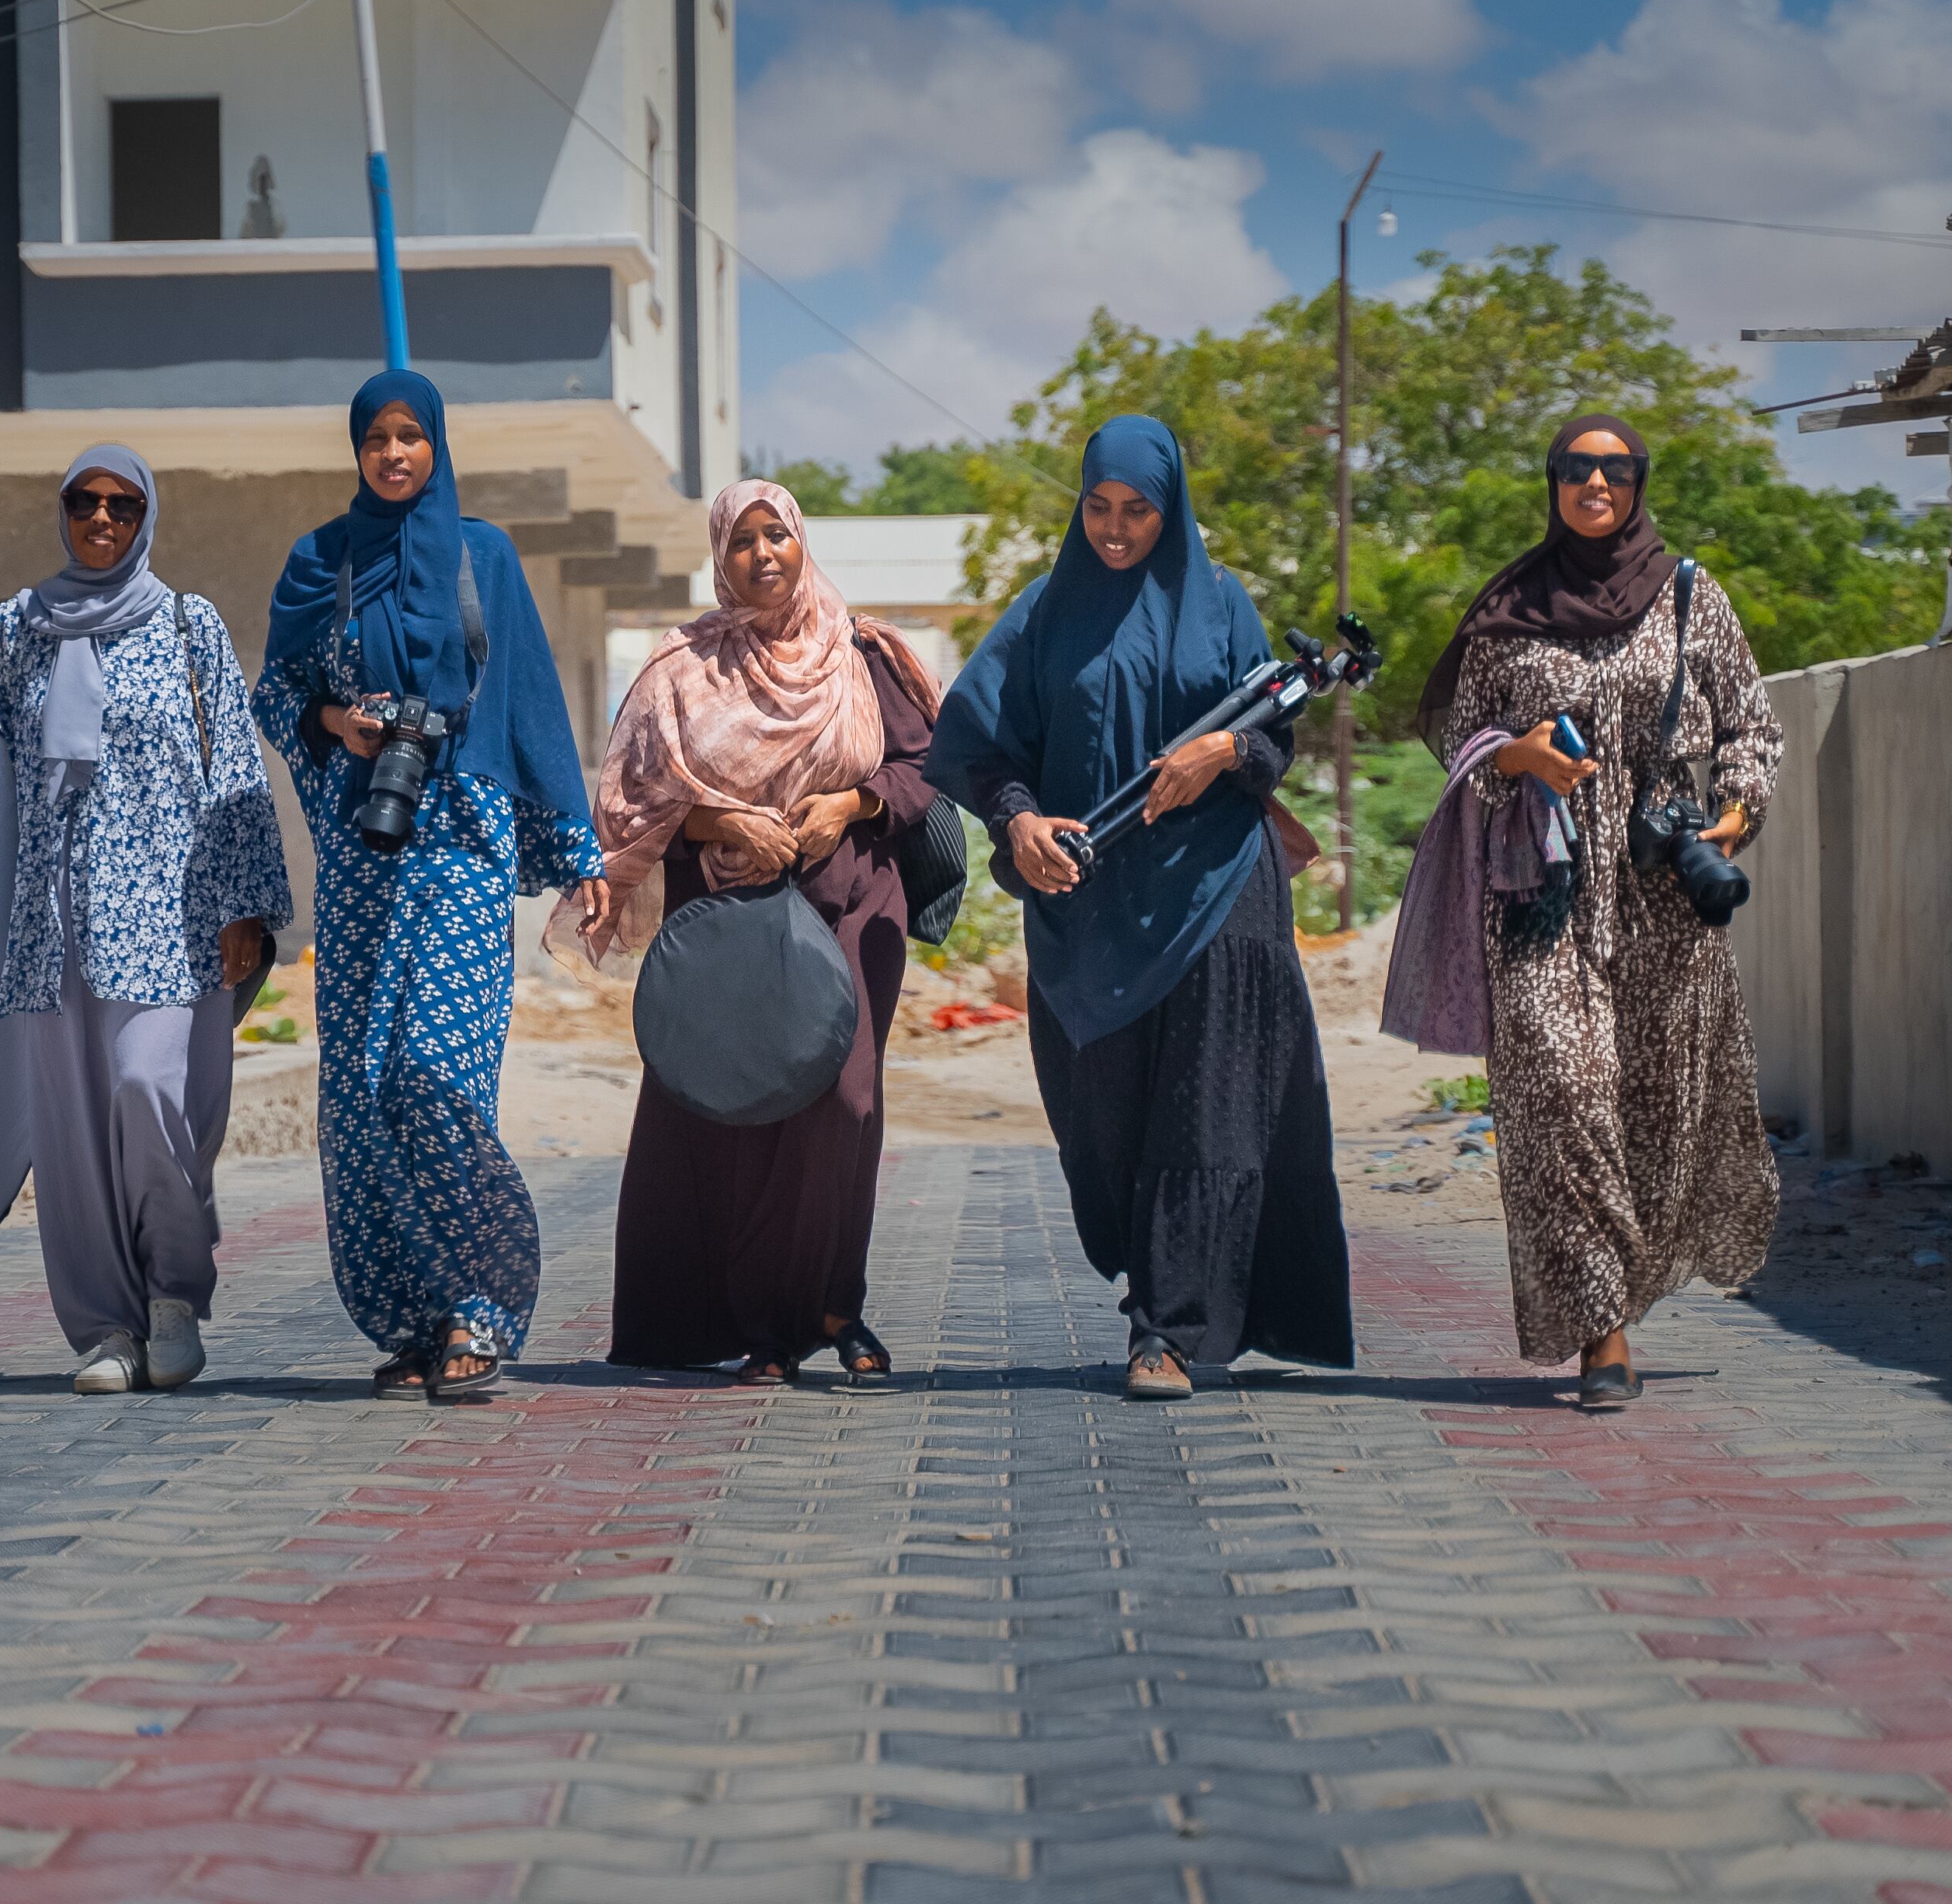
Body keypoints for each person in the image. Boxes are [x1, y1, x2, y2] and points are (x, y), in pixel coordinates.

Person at [927, 416, 1353, 1400]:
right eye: (1100, 507)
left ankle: (1165, 1329)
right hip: (1090, 900)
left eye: (1139, 511)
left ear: (1173, 508)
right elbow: (976, 747)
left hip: (1218, 891)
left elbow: (1275, 737)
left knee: (1204, 1114)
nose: (1117, 530)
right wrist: (1019, 821)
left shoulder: (1220, 603)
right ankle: (1158, 1292)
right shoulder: (1043, 614)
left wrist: (1225, 753)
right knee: (1103, 1116)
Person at [252, 371, 612, 1401]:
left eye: (414, 437)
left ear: (438, 446)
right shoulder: (321, 559)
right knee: (365, 1094)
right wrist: (340, 725)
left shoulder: (482, 553)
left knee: (431, 1074)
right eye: (379, 438)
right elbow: (279, 691)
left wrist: (579, 858)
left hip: (462, 837)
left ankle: (484, 1306)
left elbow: (534, 699)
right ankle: (420, 1319)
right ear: (357, 449)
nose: (396, 454)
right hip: (366, 850)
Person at [1417, 412, 1783, 1408]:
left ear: (1637, 484)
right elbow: (1460, 733)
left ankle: (1624, 1281)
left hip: (1661, 895)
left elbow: (1753, 725)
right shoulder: (1512, 604)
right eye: (1576, 471)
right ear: (1552, 483)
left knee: (1653, 1110)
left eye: (1614, 472)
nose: (1595, 486)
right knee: (1562, 1094)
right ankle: (1600, 1332)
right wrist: (1516, 758)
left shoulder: (1690, 600)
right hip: (1543, 896)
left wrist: (1734, 819)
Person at [0, 445, 292, 1395]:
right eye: (85, 503)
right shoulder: (19, 624)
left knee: (149, 1093)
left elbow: (236, 766)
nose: (102, 520)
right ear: (63, 512)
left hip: (170, 904)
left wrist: (246, 903)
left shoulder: (186, 622)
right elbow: (17, 744)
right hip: (53, 912)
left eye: (123, 507)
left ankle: (173, 1297)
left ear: (147, 518)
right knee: (73, 1132)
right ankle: (104, 1331)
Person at [571, 479, 945, 1387]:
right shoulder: (681, 668)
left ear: (800, 541)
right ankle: (759, 1327)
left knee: (842, 1104)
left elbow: (925, 767)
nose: (763, 555)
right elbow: (630, 806)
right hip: (731, 920)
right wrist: (718, 823)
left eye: (776, 535)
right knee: (738, 1109)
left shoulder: (861, 654)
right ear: (720, 559)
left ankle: (828, 1303)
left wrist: (847, 803)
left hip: (853, 901)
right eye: (742, 542)